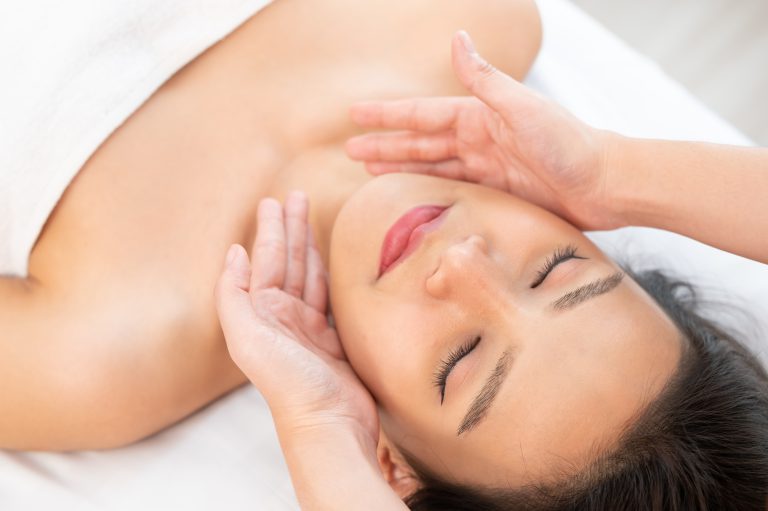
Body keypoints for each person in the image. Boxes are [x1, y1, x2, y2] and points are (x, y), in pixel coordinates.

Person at [215, 32, 768, 509]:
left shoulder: (134, 347)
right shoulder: (481, 20)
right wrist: (606, 173)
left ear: (389, 466)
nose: (461, 262)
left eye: (460, 360)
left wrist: (320, 423)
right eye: (555, 269)